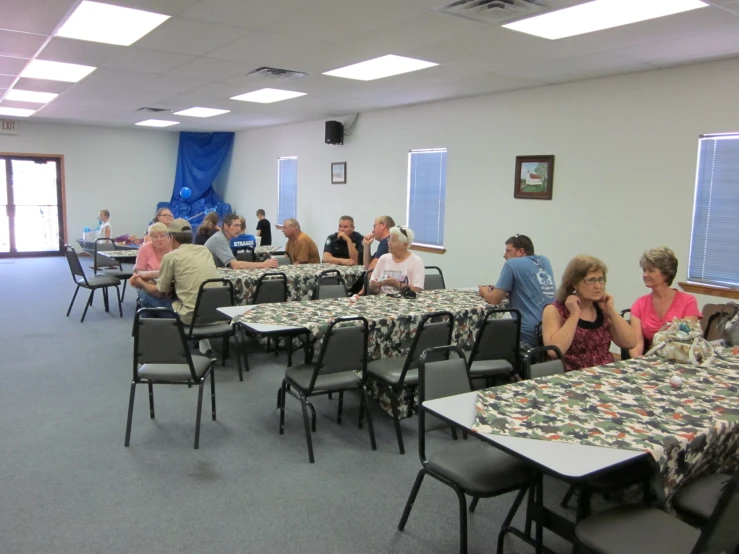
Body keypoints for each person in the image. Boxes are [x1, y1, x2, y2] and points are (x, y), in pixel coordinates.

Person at [129, 218, 219, 357]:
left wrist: (140, 282)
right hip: (215, 312)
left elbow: (159, 292)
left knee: (144, 295)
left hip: (191, 315)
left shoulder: (171, 257)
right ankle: (186, 341)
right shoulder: (204, 251)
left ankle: (149, 345)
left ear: (171, 237)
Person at [542, 255, 636, 372]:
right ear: (574, 283)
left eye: (601, 279)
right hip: (572, 375)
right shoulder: (554, 310)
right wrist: (574, 314)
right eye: (591, 280)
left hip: (605, 372)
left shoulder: (602, 308)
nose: (598, 286)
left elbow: (630, 342)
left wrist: (611, 311)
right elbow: (554, 351)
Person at [478, 234, 556, 349]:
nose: (504, 255)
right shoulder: (544, 261)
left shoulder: (512, 264)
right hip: (552, 328)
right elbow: (530, 284)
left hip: (527, 334)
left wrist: (483, 291)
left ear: (520, 251)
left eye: (508, 251)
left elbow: (494, 299)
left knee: (485, 338)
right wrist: (504, 287)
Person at [629, 247, 701, 358]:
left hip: (680, 358)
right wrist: (637, 359)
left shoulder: (688, 301)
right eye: (644, 270)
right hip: (651, 359)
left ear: (666, 274)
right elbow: (636, 344)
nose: (645, 275)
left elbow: (686, 340)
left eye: (651, 271)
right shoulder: (639, 304)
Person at [204, 214, 277, 269]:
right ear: (226, 226)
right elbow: (235, 265)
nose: (239, 229)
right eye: (236, 225)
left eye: (240, 226)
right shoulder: (219, 239)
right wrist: (264, 264)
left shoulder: (225, 238)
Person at [369, 226, 424, 295]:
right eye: (389, 239)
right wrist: (374, 285)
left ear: (405, 244)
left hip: (405, 300)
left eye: (393, 240)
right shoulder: (383, 259)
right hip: (383, 300)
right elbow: (372, 286)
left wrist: (397, 284)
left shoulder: (416, 261)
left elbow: (417, 289)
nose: (389, 243)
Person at [129, 222, 171, 306]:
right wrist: (159, 274)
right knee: (152, 298)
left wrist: (151, 274)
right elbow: (139, 272)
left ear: (168, 236)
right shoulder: (144, 249)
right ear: (150, 238)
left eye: (162, 236)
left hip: (170, 284)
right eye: (155, 237)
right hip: (147, 284)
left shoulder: (173, 247)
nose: (159, 239)